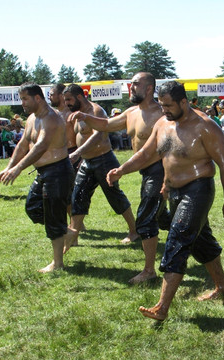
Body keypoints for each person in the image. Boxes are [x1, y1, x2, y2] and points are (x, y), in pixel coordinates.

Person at [106, 81, 224, 321]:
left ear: (183, 103)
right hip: (175, 190)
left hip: (198, 189)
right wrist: (121, 170)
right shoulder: (162, 124)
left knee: (177, 238)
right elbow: (147, 154)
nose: (164, 109)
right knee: (201, 242)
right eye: (162, 104)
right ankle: (223, 288)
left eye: (168, 105)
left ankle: (162, 306)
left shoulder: (204, 126)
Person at [75, 72, 171, 284]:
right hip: (146, 172)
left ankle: (149, 271)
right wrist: (86, 117)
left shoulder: (161, 114)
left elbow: (162, 149)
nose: (130, 88)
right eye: (130, 84)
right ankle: (192, 235)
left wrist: (167, 180)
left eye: (135, 85)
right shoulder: (131, 113)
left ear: (148, 89)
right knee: (164, 218)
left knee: (145, 219)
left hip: (160, 171)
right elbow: (107, 125)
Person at [0, 83, 77, 273]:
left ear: (37, 98)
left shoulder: (51, 119)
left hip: (58, 171)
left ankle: (57, 263)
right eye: (21, 98)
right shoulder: (31, 118)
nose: (22, 103)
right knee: (33, 208)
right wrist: (9, 166)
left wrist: (18, 169)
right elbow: (23, 144)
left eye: (25, 99)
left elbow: (40, 147)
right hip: (43, 173)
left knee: (54, 217)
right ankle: (68, 231)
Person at [63, 83, 139, 250]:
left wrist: (77, 152)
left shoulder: (96, 111)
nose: (66, 103)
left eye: (68, 99)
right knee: (78, 196)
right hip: (87, 162)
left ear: (79, 97)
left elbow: (99, 135)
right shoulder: (75, 115)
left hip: (104, 160)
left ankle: (134, 231)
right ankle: (73, 236)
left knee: (115, 197)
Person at [48, 83, 75, 154]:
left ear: (61, 96)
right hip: (58, 154)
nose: (49, 97)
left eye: (51, 95)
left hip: (72, 152)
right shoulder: (53, 114)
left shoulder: (71, 113)